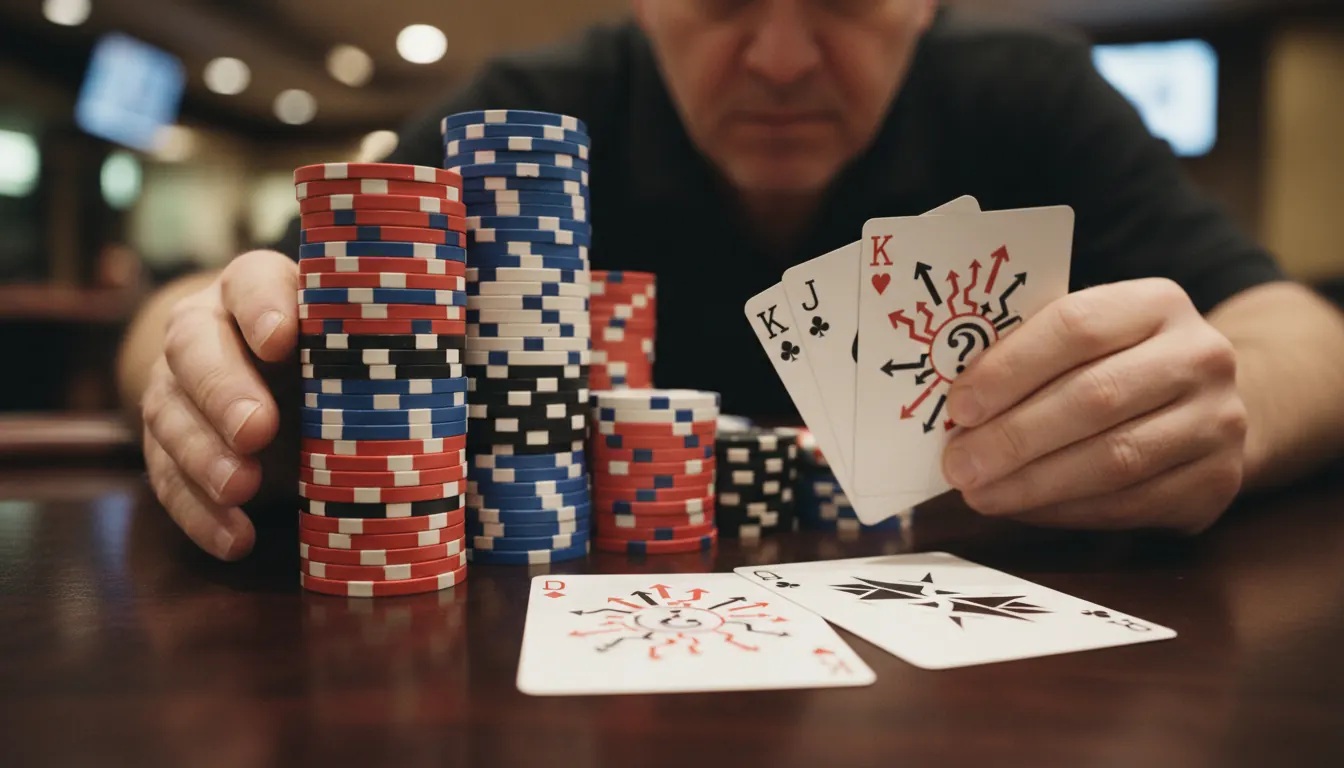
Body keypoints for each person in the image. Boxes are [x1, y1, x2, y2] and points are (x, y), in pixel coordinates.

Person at [118, 0, 1344, 561]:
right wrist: (193, 364)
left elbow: (1300, 333)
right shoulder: (533, 113)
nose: (779, 56)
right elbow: (216, 301)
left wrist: (1223, 414)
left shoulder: (1031, 89)